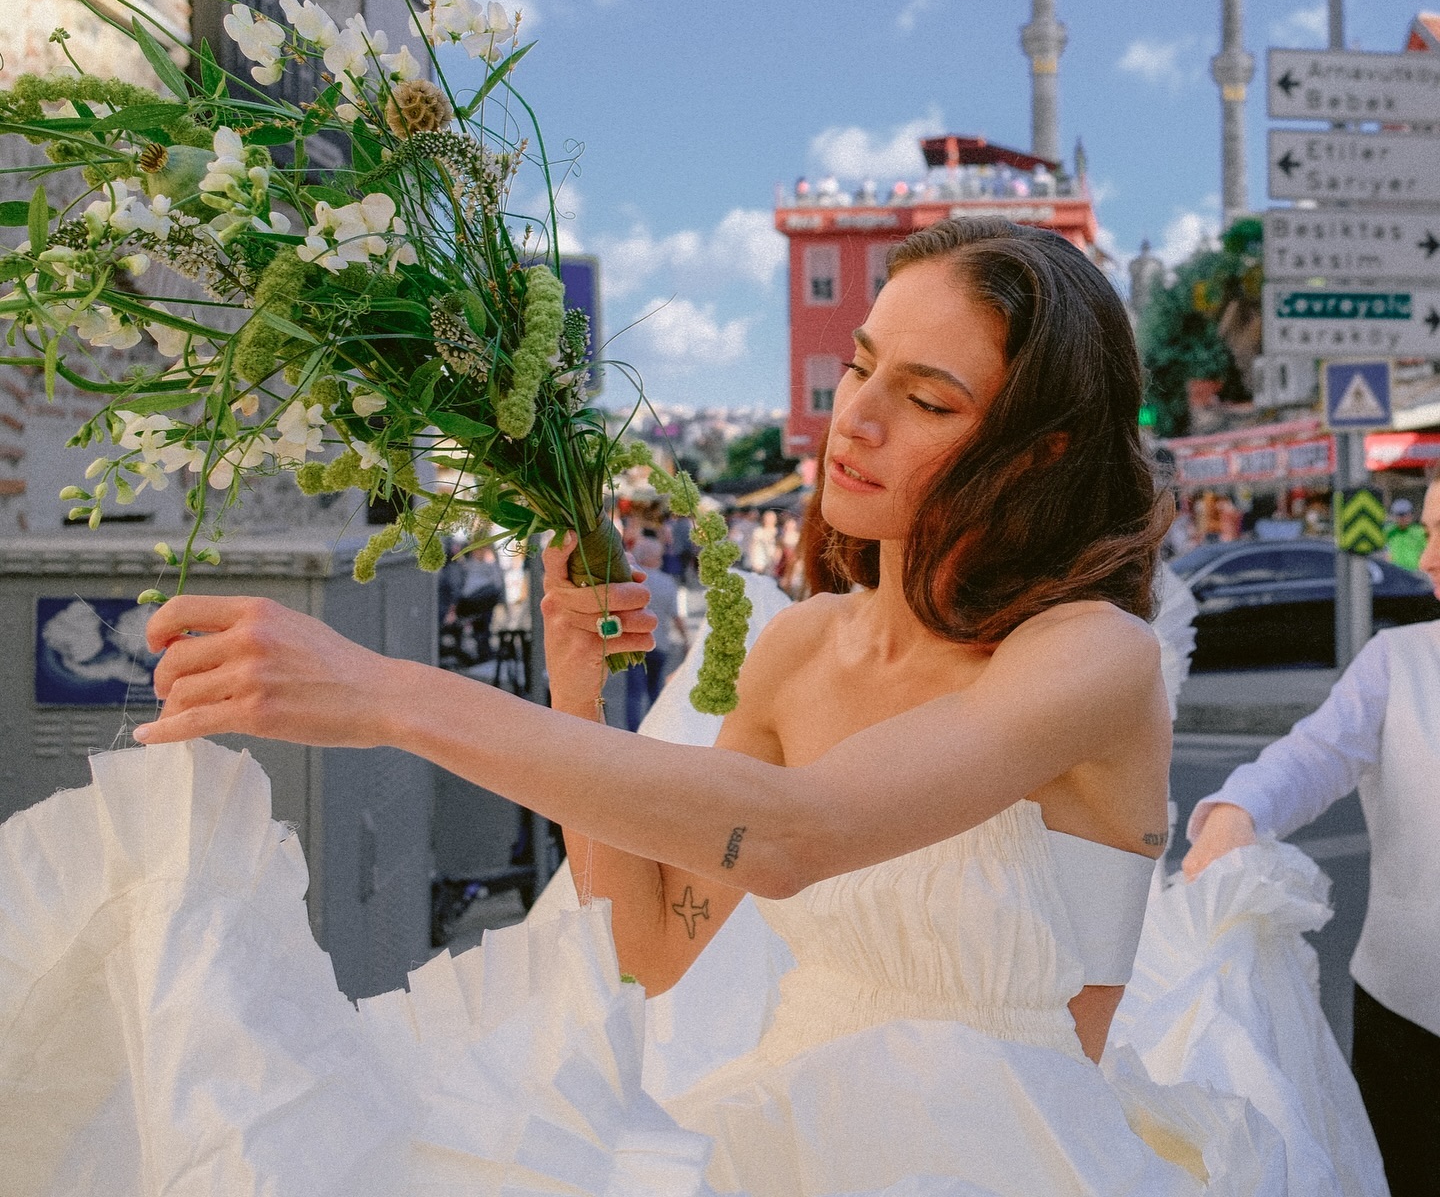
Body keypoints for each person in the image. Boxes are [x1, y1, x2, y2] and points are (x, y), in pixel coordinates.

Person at [5, 217, 1359, 1193]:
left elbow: (793, 833)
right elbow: (653, 953)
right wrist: (581, 702)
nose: (856, 416)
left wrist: (391, 697)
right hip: (763, 1145)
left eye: (929, 397)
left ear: (1041, 450)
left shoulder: (1089, 657)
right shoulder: (797, 652)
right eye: (867, 365)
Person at [1184, 472, 1440, 1195]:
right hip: (1411, 1015)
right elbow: (1312, 755)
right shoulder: (1401, 661)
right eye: (1425, 528)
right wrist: (1239, 811)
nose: (1424, 558)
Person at [624, 535, 686, 731]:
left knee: (633, 693)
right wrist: (686, 639)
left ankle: (632, 733)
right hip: (659, 643)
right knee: (654, 690)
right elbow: (676, 616)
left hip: (632, 644)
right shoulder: (667, 582)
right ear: (655, 557)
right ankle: (654, 730)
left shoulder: (629, 579)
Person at [1383, 496, 1426, 572]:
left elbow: (1426, 551)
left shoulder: (1419, 532)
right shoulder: (1389, 532)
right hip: (1394, 572)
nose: (1402, 518)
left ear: (1411, 515)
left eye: (1405, 514)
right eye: (1399, 515)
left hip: (1414, 572)